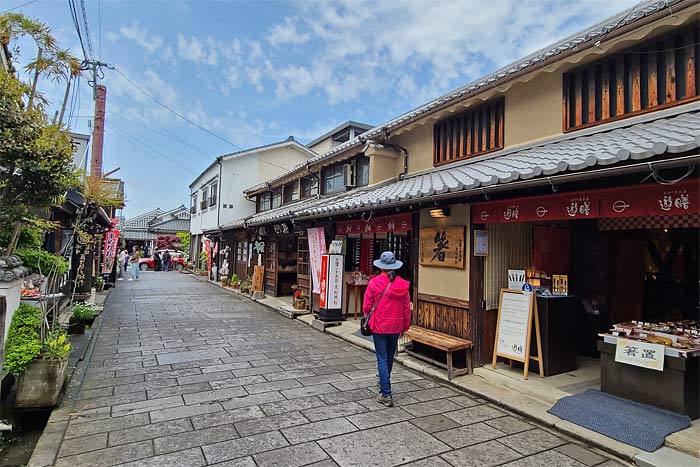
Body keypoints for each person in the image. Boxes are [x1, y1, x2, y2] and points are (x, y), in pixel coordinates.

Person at [363, 251, 411, 407]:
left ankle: (386, 393)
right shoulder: (403, 285)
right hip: (396, 325)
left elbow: (367, 306)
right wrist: (405, 326)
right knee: (389, 357)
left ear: (381, 267)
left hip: (379, 325)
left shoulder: (374, 283)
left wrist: (367, 317)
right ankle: (385, 384)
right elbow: (406, 309)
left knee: (382, 358)